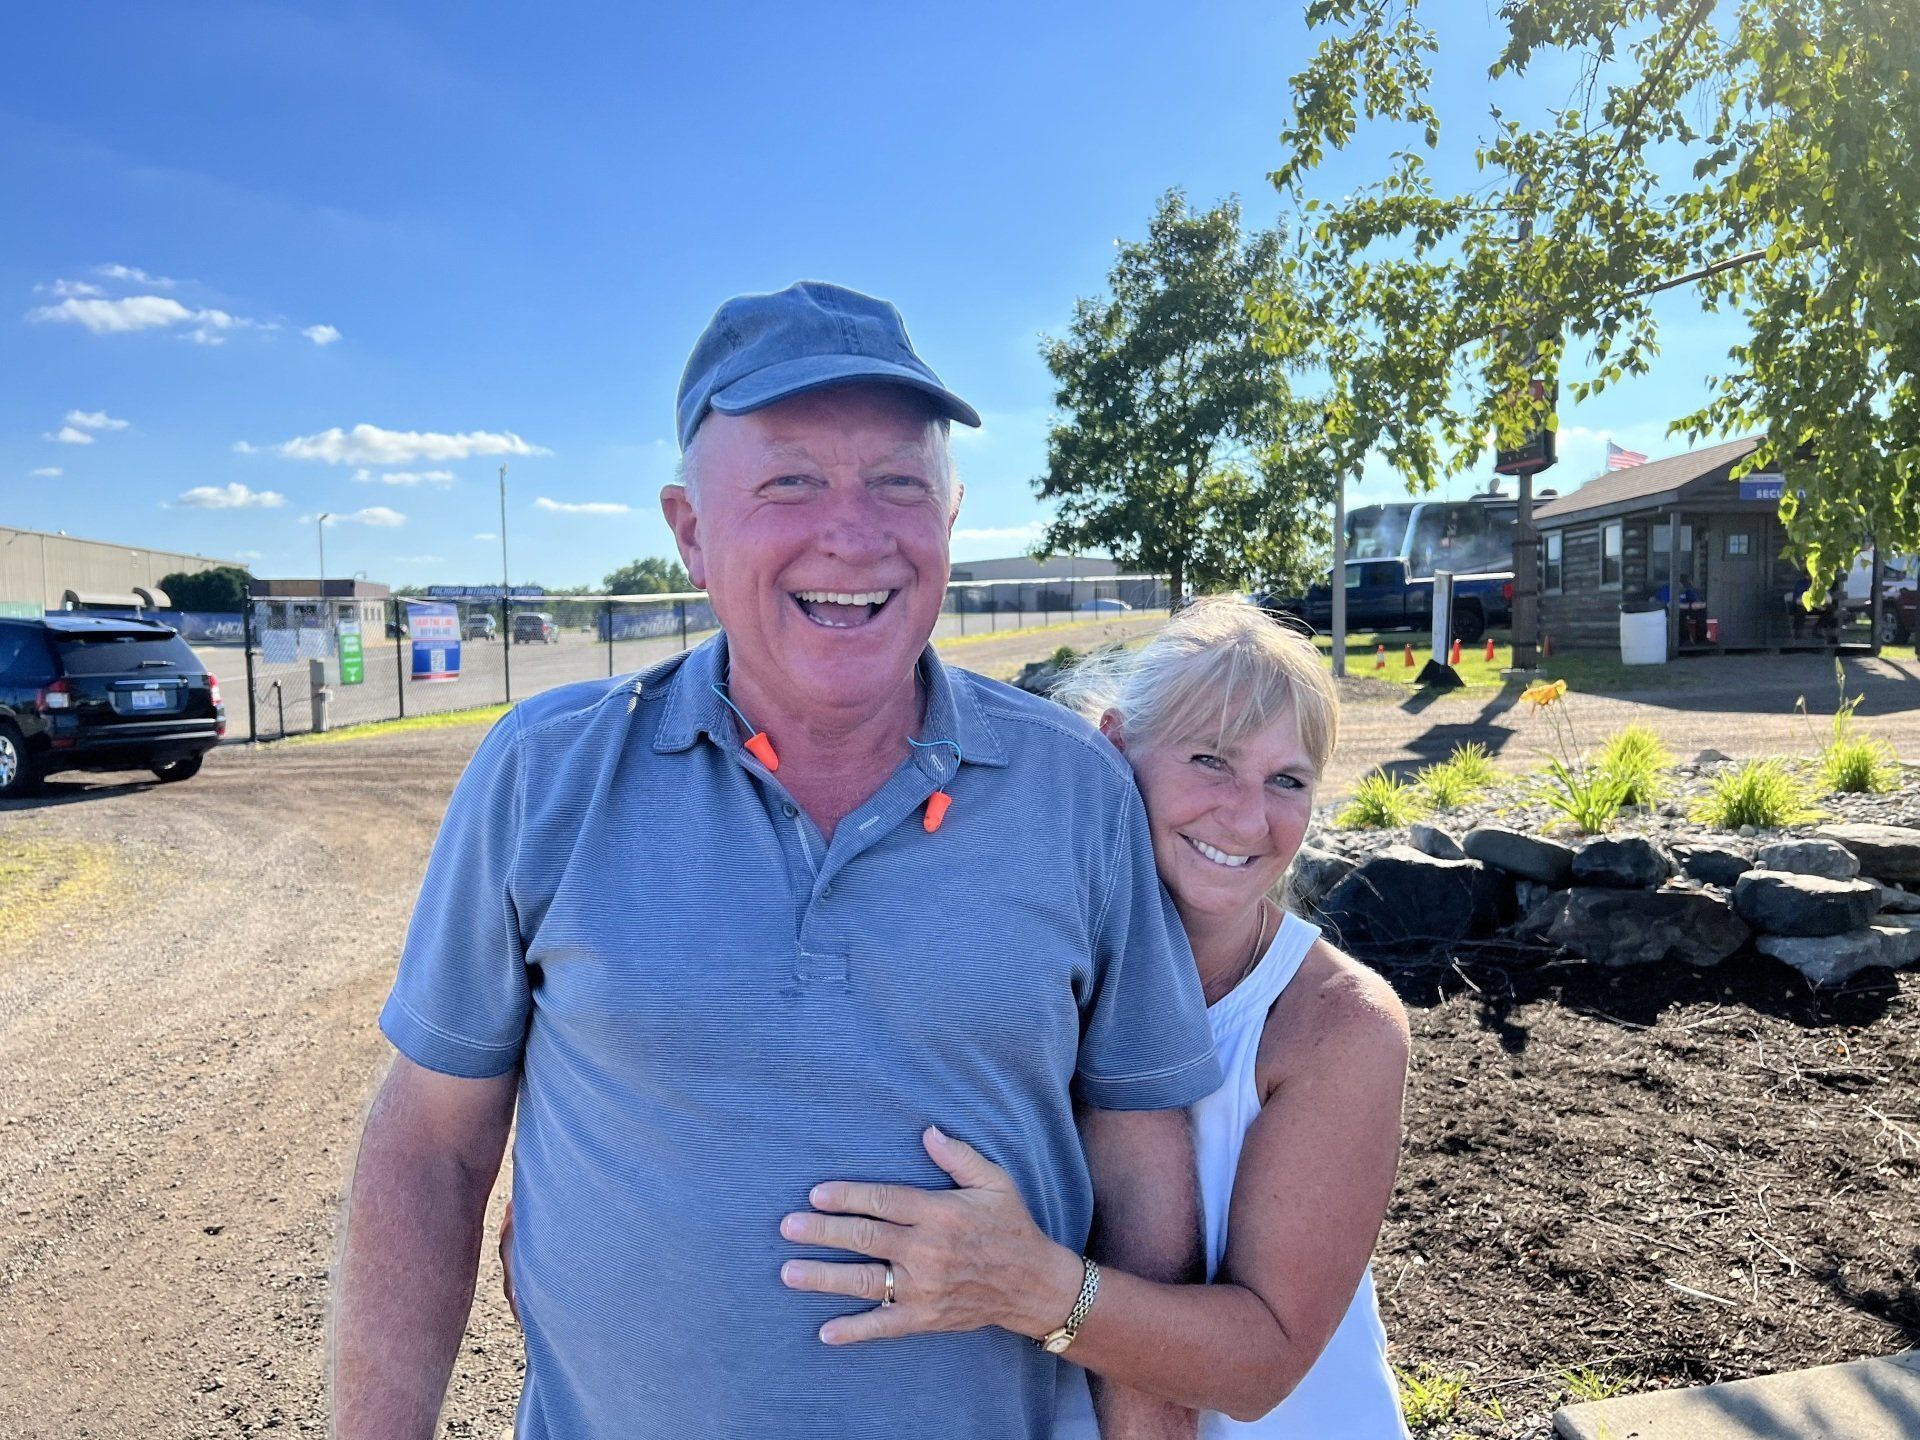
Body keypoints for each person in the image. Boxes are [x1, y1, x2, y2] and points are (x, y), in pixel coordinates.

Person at [329, 280, 1222, 1440]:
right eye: (790, 481)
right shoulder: (546, 774)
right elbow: (432, 1150)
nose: (852, 533)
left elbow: (1143, 1167)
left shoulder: (1075, 793)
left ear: (951, 517)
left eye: (899, 483)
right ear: (691, 532)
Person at [779, 598, 1414, 1437]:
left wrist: (1026, 1284)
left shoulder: (1339, 1025)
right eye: (1211, 760)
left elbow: (1264, 1366)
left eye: (1286, 781)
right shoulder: (1017, 974)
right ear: (1113, 745)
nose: (1248, 816)